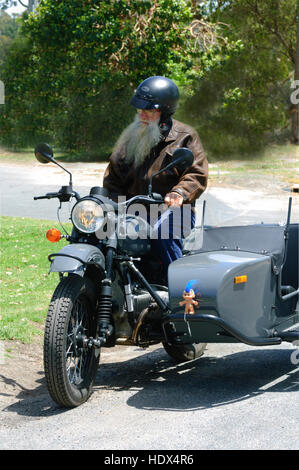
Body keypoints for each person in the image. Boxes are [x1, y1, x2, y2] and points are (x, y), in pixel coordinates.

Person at [103, 76, 208, 279]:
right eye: (140, 109)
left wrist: (179, 193)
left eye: (149, 110)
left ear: (165, 111)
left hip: (175, 210)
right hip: (134, 209)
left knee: (163, 231)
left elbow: (196, 173)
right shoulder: (129, 137)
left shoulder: (185, 136)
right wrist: (109, 204)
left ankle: (181, 290)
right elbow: (113, 178)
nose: (142, 114)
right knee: (96, 230)